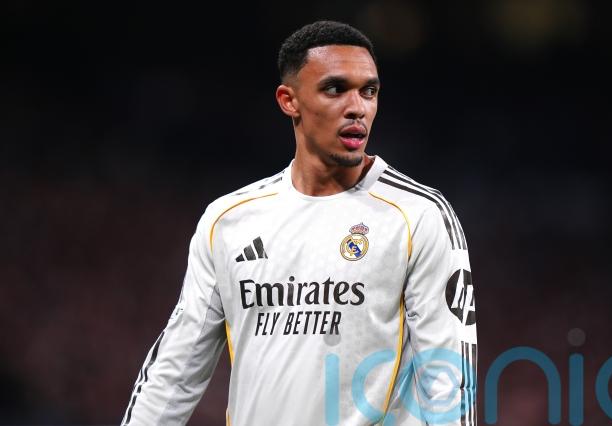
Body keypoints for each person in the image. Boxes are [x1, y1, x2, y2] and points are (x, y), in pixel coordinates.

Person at [122, 20, 477, 426]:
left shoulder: (418, 216)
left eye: (369, 91)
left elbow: (449, 382)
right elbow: (174, 372)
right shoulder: (229, 221)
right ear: (289, 100)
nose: (358, 107)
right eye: (335, 89)